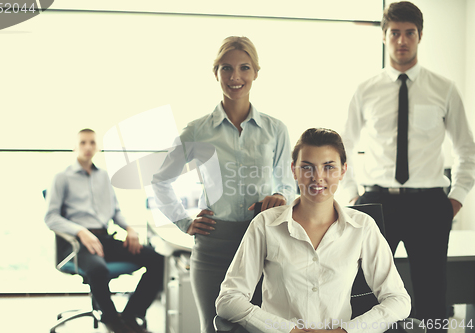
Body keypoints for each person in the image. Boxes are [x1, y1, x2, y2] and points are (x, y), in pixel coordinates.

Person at [340, 1, 475, 331]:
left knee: (431, 295)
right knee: (367, 292)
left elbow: (466, 150)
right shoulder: (365, 90)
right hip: (376, 202)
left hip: (429, 204)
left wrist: (454, 199)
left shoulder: (444, 89)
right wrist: (353, 198)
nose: (402, 40)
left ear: (420, 36)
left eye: (409, 33)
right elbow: (342, 149)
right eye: (395, 33)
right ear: (384, 37)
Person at [151, 36, 296, 333]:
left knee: (263, 328)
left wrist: (281, 195)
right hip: (213, 247)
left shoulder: (275, 129)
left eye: (244, 68)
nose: (235, 77)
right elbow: (161, 181)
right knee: (214, 328)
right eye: (226, 68)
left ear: (256, 72)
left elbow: (289, 183)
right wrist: (183, 221)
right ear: (215, 72)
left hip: (263, 244)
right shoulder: (197, 130)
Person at [216, 128, 411, 333]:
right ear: (294, 170)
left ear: (343, 170)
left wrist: (346, 331)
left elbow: (398, 300)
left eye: (328, 167)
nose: (318, 177)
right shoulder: (265, 225)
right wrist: (288, 331)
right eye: (307, 167)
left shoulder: (363, 227)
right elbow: (229, 299)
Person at [45, 128, 164, 333]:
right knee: (98, 269)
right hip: (77, 243)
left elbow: (115, 212)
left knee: (157, 259)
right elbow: (51, 217)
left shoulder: (104, 178)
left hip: (104, 238)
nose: (88, 147)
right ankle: (114, 323)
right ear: (75, 147)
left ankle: (130, 314)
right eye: (83, 142)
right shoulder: (62, 178)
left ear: (97, 147)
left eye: (92, 142)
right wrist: (81, 231)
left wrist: (129, 229)